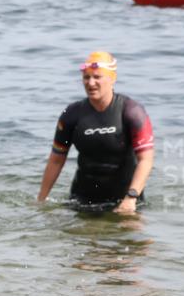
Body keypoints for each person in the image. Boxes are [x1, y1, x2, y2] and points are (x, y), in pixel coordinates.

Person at [37, 51, 154, 213]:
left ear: (112, 78)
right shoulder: (72, 114)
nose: (91, 83)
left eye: (97, 77)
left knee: (134, 234)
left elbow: (146, 160)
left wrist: (131, 197)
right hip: (83, 198)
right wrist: (41, 200)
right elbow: (56, 160)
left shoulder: (131, 111)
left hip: (125, 198)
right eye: (86, 77)